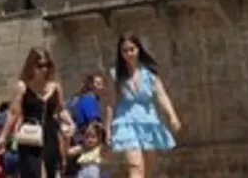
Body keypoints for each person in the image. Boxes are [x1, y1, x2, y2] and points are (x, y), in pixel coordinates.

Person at [107, 35, 180, 178]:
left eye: (131, 49)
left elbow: (161, 95)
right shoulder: (116, 74)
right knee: (135, 167)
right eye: (124, 51)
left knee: (148, 169)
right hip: (126, 121)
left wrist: (173, 116)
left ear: (138, 49)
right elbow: (111, 102)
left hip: (149, 121)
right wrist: (108, 128)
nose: (128, 54)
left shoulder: (150, 74)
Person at [0, 47, 75, 178]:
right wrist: (3, 136)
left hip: (50, 133)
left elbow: (60, 110)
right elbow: (14, 112)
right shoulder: (23, 87)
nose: (44, 69)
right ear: (31, 66)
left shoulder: (55, 86)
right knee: (32, 172)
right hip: (30, 134)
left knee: (52, 170)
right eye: (40, 65)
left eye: (47, 65)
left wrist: (71, 123)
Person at [64, 73, 108, 177]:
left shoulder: (77, 99)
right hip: (82, 142)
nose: (102, 87)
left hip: (77, 140)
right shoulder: (89, 99)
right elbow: (94, 122)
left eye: (102, 84)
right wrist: (102, 139)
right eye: (98, 84)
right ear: (91, 86)